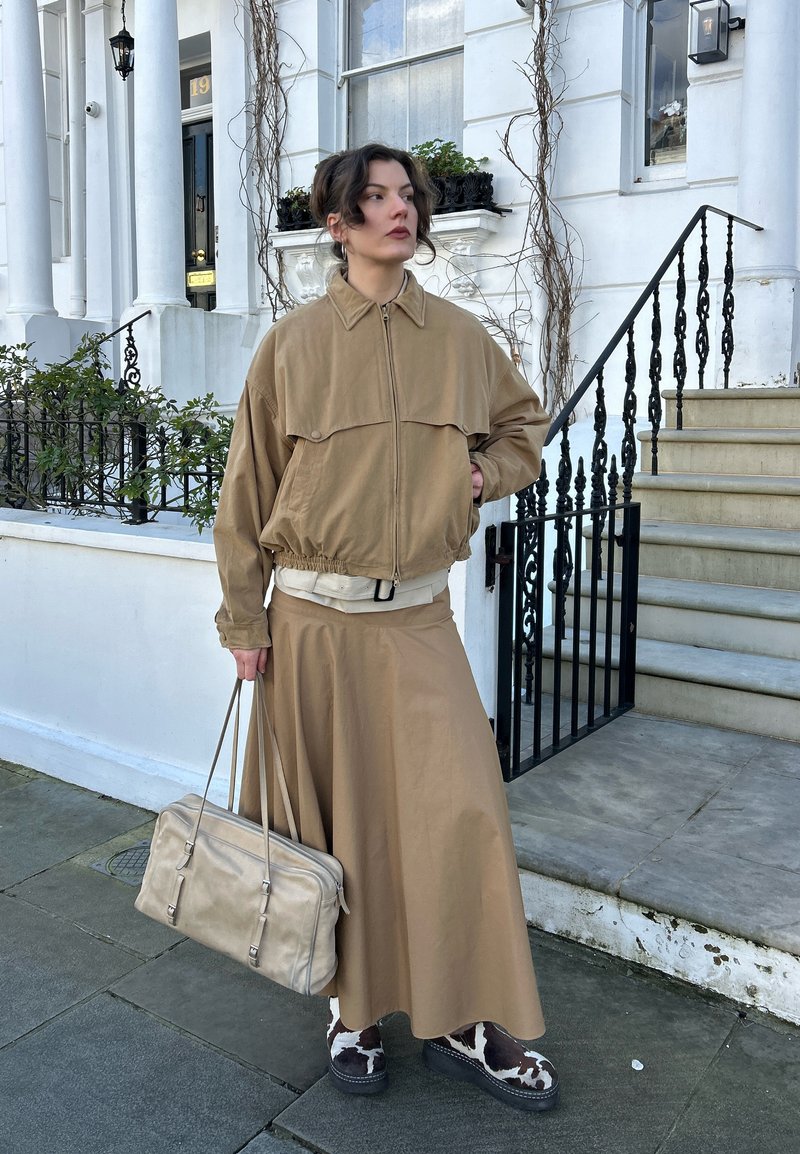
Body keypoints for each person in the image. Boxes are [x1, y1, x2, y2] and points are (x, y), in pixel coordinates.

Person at [212, 143, 559, 1113]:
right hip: (311, 626)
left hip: (418, 621)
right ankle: (353, 1009)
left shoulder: (458, 336)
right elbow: (245, 496)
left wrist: (483, 474)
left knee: (460, 818)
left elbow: (519, 428)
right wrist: (244, 617)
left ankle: (464, 1015)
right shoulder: (290, 344)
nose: (397, 210)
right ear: (336, 224)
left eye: (408, 195)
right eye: (373, 198)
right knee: (347, 831)